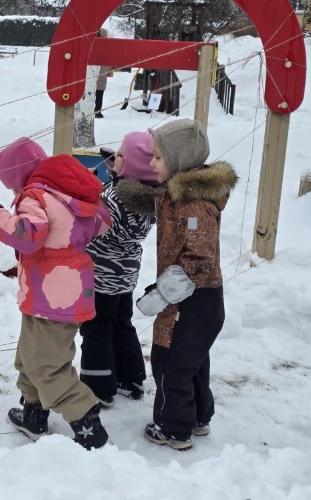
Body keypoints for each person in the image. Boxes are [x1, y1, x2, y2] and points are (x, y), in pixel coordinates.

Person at [0, 137, 112, 450]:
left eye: (11, 186)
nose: (13, 194)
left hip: (52, 295)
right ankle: (34, 414)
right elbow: (99, 222)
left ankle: (88, 425)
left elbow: (27, 237)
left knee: (47, 365)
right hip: (56, 292)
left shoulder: (36, 196)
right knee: (29, 355)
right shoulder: (64, 192)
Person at [136, 118, 238, 450]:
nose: (152, 163)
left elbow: (200, 259)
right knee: (193, 360)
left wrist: (163, 292)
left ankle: (173, 428)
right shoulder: (178, 194)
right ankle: (198, 416)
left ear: (179, 160)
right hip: (195, 299)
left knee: (171, 362)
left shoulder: (193, 204)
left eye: (157, 157)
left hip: (192, 299)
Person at [80, 131, 166, 407]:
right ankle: (131, 377)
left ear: (131, 167)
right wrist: (116, 168)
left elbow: (93, 223)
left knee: (96, 327)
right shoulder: (145, 198)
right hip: (125, 275)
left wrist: (87, 194)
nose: (114, 157)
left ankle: (99, 386)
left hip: (101, 275)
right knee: (121, 323)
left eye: (120, 155)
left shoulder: (113, 199)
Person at [94, 28, 112, 119]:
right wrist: (110, 70)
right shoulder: (107, 46)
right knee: (99, 94)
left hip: (97, 73)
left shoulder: (93, 44)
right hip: (101, 73)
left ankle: (95, 111)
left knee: (94, 93)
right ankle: (97, 111)